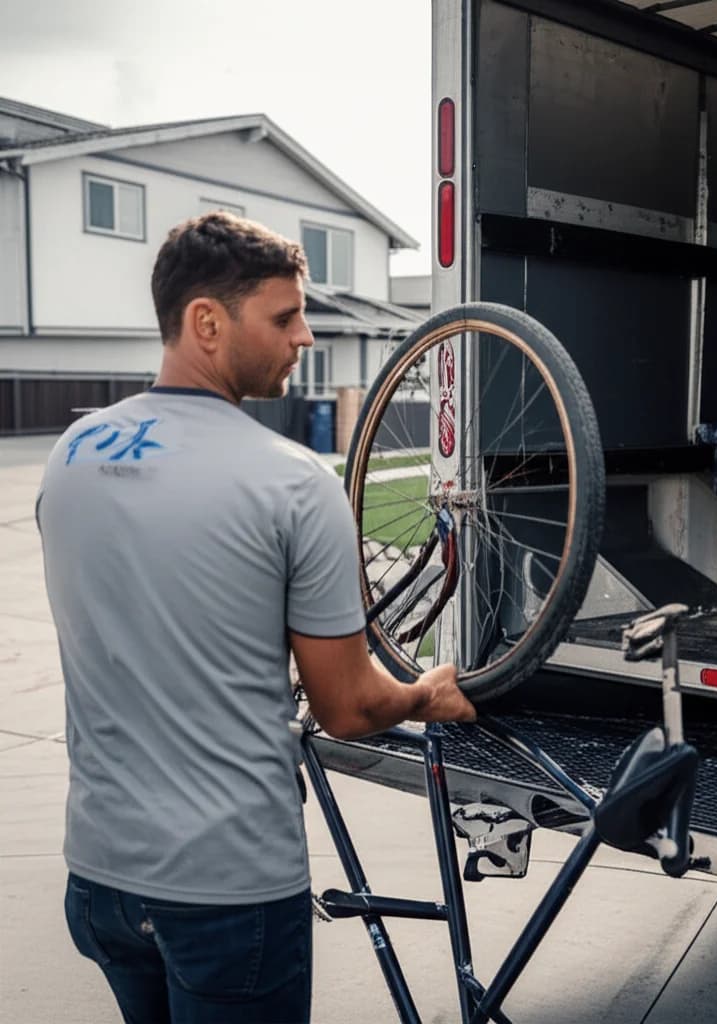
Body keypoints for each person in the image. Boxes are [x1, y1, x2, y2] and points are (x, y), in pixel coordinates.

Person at [36, 211, 476, 1024]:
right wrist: (427, 693)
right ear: (206, 321)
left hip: (99, 881)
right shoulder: (293, 482)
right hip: (226, 892)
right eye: (284, 316)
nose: (305, 336)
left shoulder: (71, 455)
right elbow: (349, 707)